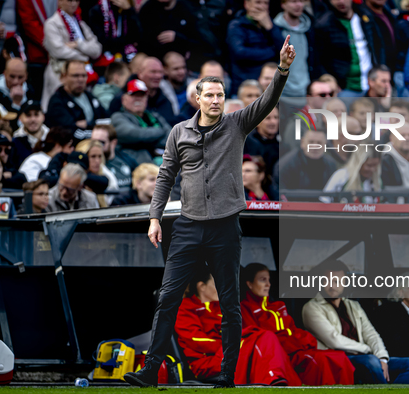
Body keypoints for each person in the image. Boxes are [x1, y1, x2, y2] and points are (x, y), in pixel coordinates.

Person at [123, 36, 295, 389]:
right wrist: (155, 217)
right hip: (187, 225)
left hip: (225, 228)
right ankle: (149, 370)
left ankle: (227, 376)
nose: (216, 100)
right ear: (197, 99)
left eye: (220, 95)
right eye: (210, 95)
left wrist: (282, 70)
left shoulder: (237, 124)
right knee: (168, 297)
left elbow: (267, 101)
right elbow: (165, 175)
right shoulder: (178, 132)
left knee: (230, 304)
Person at [175, 267, 303, 386]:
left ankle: (278, 382)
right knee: (263, 338)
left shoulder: (222, 308)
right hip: (206, 362)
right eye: (217, 284)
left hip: (229, 354)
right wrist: (232, 347)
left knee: (266, 337)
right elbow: (196, 341)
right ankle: (273, 381)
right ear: (202, 287)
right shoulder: (185, 307)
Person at [302, 260, 409, 384]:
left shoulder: (354, 306)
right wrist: (367, 350)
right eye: (328, 281)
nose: (333, 286)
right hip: (340, 360)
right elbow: (334, 340)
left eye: (337, 281)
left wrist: (382, 357)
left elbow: (370, 333)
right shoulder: (311, 307)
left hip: (366, 357)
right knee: (370, 361)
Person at [241, 263, 355, 385]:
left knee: (339, 357)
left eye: (269, 280)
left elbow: (292, 329)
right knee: (320, 361)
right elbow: (257, 339)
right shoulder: (244, 308)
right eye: (263, 280)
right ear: (250, 284)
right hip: (279, 356)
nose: (268, 284)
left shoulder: (278, 306)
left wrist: (303, 339)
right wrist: (293, 343)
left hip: (296, 350)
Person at [314, 0, 383, 96]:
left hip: (371, 85)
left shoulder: (366, 17)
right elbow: (319, 59)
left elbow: (379, 47)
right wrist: (330, 81)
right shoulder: (323, 24)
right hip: (344, 88)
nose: (341, 1)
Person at [41, 0, 102, 110]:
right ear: (59, 1)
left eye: (76, 0)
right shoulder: (51, 23)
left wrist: (78, 44)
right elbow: (58, 51)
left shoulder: (81, 23)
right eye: (69, 0)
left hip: (83, 71)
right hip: (59, 72)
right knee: (59, 107)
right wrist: (85, 56)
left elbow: (97, 49)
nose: (73, 3)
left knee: (83, 107)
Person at [226, 0, 285, 95]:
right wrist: (273, 52)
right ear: (246, 4)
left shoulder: (271, 25)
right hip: (244, 85)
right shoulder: (237, 25)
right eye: (258, 2)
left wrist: (270, 28)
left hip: (268, 87)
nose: (262, 6)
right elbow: (240, 52)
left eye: (266, 3)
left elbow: (285, 50)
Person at [110, 79, 171, 165]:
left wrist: (143, 140)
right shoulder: (118, 117)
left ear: (146, 98)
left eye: (142, 95)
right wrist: (160, 132)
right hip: (135, 165)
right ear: (124, 99)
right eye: (134, 95)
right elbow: (133, 134)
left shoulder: (155, 116)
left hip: (161, 162)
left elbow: (171, 137)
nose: (138, 99)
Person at [45, 61, 108, 140]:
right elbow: (68, 131)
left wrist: (87, 124)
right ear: (63, 77)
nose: (80, 79)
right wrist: (95, 128)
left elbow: (106, 120)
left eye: (84, 75)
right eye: (75, 76)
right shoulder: (57, 101)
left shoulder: (90, 96)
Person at [277, 128, 338, 198]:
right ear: (302, 142)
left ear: (325, 145)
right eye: (311, 142)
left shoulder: (331, 166)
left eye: (319, 143)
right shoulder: (286, 165)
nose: (315, 146)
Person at [274, 0, 316, 97]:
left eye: (301, 1)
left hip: (306, 89)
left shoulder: (310, 27)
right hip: (282, 91)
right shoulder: (275, 29)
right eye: (293, 1)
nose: (298, 5)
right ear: (283, 4)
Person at [91, 122, 136, 193]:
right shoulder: (93, 165)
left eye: (101, 142)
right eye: (93, 142)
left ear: (113, 143)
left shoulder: (127, 160)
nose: (96, 146)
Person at [75, 139, 118, 207]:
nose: (97, 161)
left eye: (100, 156)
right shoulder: (73, 177)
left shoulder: (104, 174)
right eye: (93, 156)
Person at [9, 100, 49, 171]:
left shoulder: (53, 138)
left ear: (43, 116)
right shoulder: (15, 141)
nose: (33, 119)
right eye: (28, 115)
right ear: (20, 118)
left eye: (36, 114)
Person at [247, 107, 279, 176]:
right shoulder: (248, 143)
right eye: (268, 118)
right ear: (257, 122)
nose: (273, 122)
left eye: (276, 117)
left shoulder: (283, 143)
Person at [160, 52, 187, 116]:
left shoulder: (194, 85)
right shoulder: (160, 90)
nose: (181, 72)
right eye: (176, 69)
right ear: (165, 70)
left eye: (183, 67)